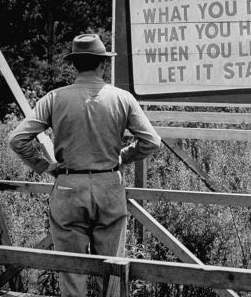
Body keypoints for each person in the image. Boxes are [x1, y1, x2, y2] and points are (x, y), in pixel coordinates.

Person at [9, 33, 161, 297]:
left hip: (69, 187)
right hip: (109, 187)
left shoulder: (54, 98)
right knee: (112, 271)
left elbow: (17, 139)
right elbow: (151, 142)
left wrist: (44, 166)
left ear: (75, 65)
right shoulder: (122, 99)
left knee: (72, 272)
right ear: (103, 64)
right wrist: (123, 156)